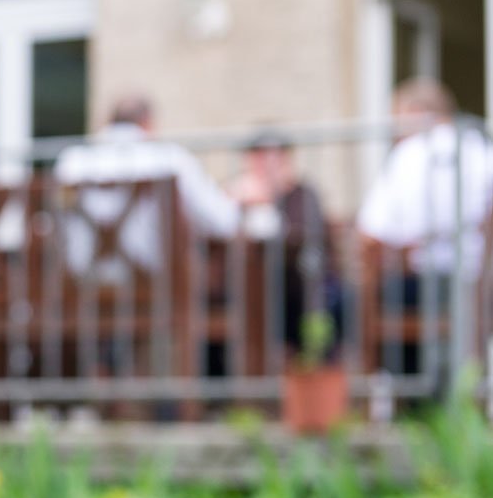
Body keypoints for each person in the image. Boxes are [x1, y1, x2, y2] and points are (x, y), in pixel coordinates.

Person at [53, 94, 241, 280]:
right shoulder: (170, 159)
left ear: (108, 122)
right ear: (147, 123)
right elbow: (223, 222)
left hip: (83, 292)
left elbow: (52, 221)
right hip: (158, 293)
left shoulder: (70, 163)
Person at [357, 78, 493, 276]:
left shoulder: (407, 154)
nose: (395, 131)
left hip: (417, 279)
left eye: (397, 118)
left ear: (416, 113)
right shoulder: (482, 150)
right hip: (477, 281)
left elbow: (371, 230)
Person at [233, 128, 342, 354]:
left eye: (271, 156)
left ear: (286, 160)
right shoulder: (237, 195)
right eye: (257, 156)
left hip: (298, 285)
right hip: (248, 286)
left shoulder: (302, 194)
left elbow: (301, 238)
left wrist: (267, 203)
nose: (264, 164)